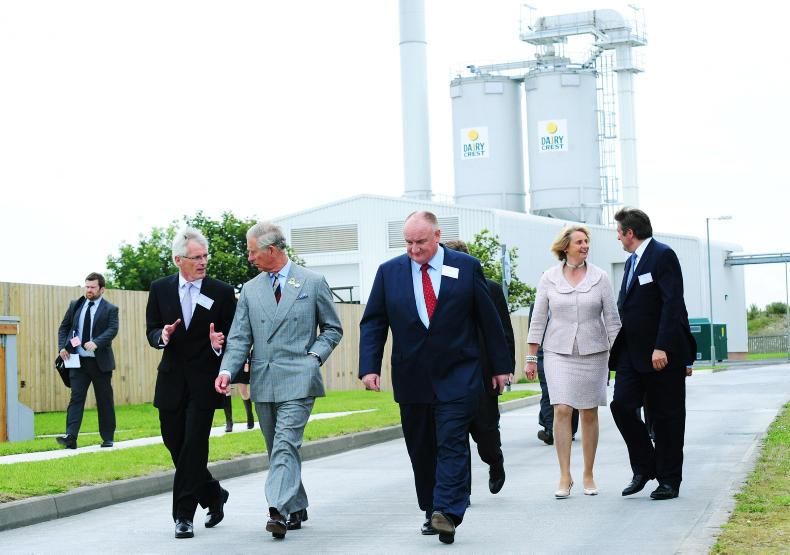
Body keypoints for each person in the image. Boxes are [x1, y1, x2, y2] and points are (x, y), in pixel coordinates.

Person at [359, 211, 511, 545]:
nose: (414, 249)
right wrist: (369, 367)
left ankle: (449, 510)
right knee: (422, 447)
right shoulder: (389, 272)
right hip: (412, 376)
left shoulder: (466, 267)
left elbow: (489, 321)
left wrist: (501, 367)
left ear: (437, 236)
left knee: (452, 442)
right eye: (408, 243)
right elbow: (373, 323)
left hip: (459, 373)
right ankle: (432, 509)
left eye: (421, 242)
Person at [215, 221, 342, 540]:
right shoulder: (250, 290)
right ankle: (296, 505)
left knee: (286, 444)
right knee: (278, 449)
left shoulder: (312, 282)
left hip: (299, 378)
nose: (249, 258)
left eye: (252, 252)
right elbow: (239, 337)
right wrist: (227, 371)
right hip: (264, 380)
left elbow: (332, 329)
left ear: (271, 250)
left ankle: (278, 511)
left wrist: (314, 357)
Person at [146, 227, 237, 539]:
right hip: (171, 381)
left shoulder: (222, 292)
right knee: (175, 443)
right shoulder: (159, 289)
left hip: (204, 383)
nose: (203, 262)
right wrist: (161, 335)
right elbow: (151, 329)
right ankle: (213, 493)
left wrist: (218, 344)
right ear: (178, 260)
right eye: (196, 257)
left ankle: (183, 516)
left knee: (194, 447)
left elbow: (233, 338)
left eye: (205, 256)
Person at [526, 226, 621, 499]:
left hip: (594, 352)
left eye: (586, 241)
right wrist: (531, 357)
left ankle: (588, 473)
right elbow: (538, 319)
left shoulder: (600, 277)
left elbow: (612, 320)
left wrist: (620, 357)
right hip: (557, 351)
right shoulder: (549, 278)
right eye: (579, 242)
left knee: (589, 412)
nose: (585, 245)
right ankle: (565, 475)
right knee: (562, 409)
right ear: (565, 246)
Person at [609, 208, 696, 501]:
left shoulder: (662, 255)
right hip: (631, 353)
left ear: (630, 233)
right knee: (621, 405)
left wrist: (662, 346)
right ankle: (645, 466)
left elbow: (673, 304)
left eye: (619, 232)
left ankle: (669, 480)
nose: (617, 237)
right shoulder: (631, 262)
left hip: (662, 353)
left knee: (666, 416)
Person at [444, 239, 514, 496]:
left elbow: (504, 333)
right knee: (454, 436)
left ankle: (495, 461)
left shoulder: (490, 289)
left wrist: (504, 369)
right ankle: (460, 492)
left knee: (486, 433)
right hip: (450, 375)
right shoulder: (438, 291)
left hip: (484, 373)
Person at [56, 272, 119, 449]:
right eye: (87, 286)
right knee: (76, 398)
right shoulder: (76, 305)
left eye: (92, 287)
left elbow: (112, 329)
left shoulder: (110, 309)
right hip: (78, 362)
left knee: (104, 400)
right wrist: (62, 347)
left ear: (102, 289)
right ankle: (71, 437)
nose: (89, 290)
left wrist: (97, 342)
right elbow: (64, 328)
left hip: (100, 363)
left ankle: (107, 437)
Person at [528, 304, 579, 446]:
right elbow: (532, 332)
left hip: (570, 352)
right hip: (544, 354)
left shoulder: (571, 300)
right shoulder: (537, 305)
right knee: (547, 392)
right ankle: (551, 430)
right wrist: (531, 359)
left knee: (570, 392)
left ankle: (570, 429)